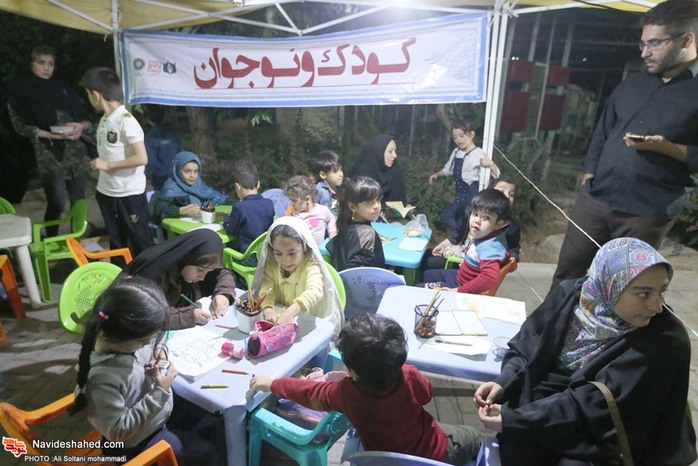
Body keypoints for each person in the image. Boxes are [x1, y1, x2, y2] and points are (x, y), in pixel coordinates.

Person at [475, 237, 696, 465]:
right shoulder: (573, 296)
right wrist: (505, 381)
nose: (656, 306)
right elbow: (528, 345)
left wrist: (517, 420)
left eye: (662, 291)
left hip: (600, 437)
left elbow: (594, 405)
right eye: (643, 293)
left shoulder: (663, 340)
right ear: (609, 286)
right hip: (545, 414)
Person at [551, 0, 698, 291]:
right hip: (596, 199)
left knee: (622, 288)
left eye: (655, 44)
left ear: (686, 40)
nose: (644, 53)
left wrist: (666, 147)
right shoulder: (632, 84)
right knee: (567, 276)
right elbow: (602, 131)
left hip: (646, 211)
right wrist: (589, 175)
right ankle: (552, 321)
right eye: (642, 43)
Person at [250, 314, 482, 464]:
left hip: (382, 460)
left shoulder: (347, 393)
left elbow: (310, 393)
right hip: (434, 453)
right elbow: (427, 394)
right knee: (475, 436)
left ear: (352, 371)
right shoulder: (408, 374)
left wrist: (272, 384)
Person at [70, 276, 219, 465]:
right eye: (143, 342)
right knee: (207, 452)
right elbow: (119, 431)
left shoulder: (124, 338)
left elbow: (158, 335)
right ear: (114, 335)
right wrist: (160, 391)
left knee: (210, 429)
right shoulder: (100, 380)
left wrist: (160, 350)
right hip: (136, 443)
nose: (147, 343)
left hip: (156, 416)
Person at [6, 45, 92, 236]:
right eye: (41, 63)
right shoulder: (21, 93)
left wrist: (81, 127)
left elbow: (86, 120)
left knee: (79, 201)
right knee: (57, 201)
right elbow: (20, 126)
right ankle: (51, 238)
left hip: (77, 153)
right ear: (31, 64)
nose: (46, 68)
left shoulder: (64, 89)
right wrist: (51, 135)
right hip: (49, 155)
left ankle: (76, 239)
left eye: (50, 64)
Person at [79, 67, 152, 256]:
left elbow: (141, 157)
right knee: (117, 243)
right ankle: (121, 274)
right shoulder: (105, 119)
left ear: (96, 95)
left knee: (140, 243)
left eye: (88, 94)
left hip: (129, 194)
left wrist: (108, 165)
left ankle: (149, 275)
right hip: (107, 192)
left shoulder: (127, 121)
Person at [123, 229, 236, 330]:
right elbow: (144, 315)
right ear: (188, 257)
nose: (202, 278)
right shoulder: (153, 274)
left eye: (208, 272)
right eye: (200, 270)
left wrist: (223, 294)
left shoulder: (191, 265)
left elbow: (223, 274)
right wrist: (188, 317)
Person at [251, 216, 343, 334]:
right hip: (282, 321)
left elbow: (315, 291)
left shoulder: (311, 267)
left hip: (308, 323)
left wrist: (290, 312)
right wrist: (269, 311)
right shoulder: (272, 266)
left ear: (304, 247)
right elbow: (266, 290)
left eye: (292, 253)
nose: (286, 260)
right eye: (278, 253)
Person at [420, 189, 510, 294]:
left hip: (461, 286)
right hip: (460, 275)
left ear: (498, 224)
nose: (477, 221)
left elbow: (490, 278)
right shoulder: (487, 235)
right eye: (475, 214)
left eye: (486, 217)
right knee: (426, 275)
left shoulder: (490, 247)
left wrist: (458, 291)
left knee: (418, 288)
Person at [425, 176, 520, 271]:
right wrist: (443, 245)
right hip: (458, 254)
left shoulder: (512, 227)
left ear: (498, 224)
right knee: (425, 255)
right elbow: (458, 234)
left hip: (472, 268)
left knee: (425, 263)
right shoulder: (471, 213)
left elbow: (513, 248)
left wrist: (512, 260)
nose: (507, 196)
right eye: (502, 191)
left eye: (511, 194)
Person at [428, 120, 501, 232]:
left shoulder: (478, 153)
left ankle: (464, 234)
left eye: (461, 136)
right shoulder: (456, 151)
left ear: (471, 134)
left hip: (470, 194)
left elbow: (497, 174)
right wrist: (437, 174)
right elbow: (448, 169)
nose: (458, 140)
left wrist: (491, 164)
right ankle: (464, 237)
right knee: (460, 221)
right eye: (455, 137)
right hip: (459, 193)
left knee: (445, 216)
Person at [151, 151, 230, 224]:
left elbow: (218, 197)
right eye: (187, 171)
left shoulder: (198, 185)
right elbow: (160, 210)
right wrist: (182, 211)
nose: (192, 175)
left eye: (196, 171)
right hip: (178, 229)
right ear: (177, 171)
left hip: (202, 225)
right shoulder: (171, 188)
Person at [326, 176, 386, 271]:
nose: (376, 206)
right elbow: (355, 272)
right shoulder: (367, 233)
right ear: (353, 206)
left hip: (339, 278)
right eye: (369, 202)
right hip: (362, 280)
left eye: (378, 200)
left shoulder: (345, 224)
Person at [222, 158, 275, 252]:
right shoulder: (269, 203)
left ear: (237, 187)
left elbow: (231, 231)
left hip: (245, 255)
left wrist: (226, 219)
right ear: (258, 184)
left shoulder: (239, 207)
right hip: (265, 253)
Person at [350, 134, 408, 205]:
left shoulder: (395, 172)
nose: (395, 155)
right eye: (390, 151)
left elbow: (401, 201)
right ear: (379, 152)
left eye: (395, 151)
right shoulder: (361, 176)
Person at [283, 175, 337, 245]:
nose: (292, 204)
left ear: (307, 199)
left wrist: (332, 232)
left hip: (319, 249)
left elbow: (331, 219)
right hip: (302, 248)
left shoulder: (322, 210)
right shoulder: (294, 213)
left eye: (295, 201)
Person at [143, 104, 184, 191]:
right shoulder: (172, 133)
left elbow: (151, 160)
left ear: (147, 118)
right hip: (175, 172)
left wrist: (148, 176)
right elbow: (181, 151)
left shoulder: (150, 137)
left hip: (160, 176)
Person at [314, 149, 344, 216]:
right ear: (323, 175)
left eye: (341, 170)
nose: (341, 174)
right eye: (335, 171)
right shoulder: (319, 190)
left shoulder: (342, 189)